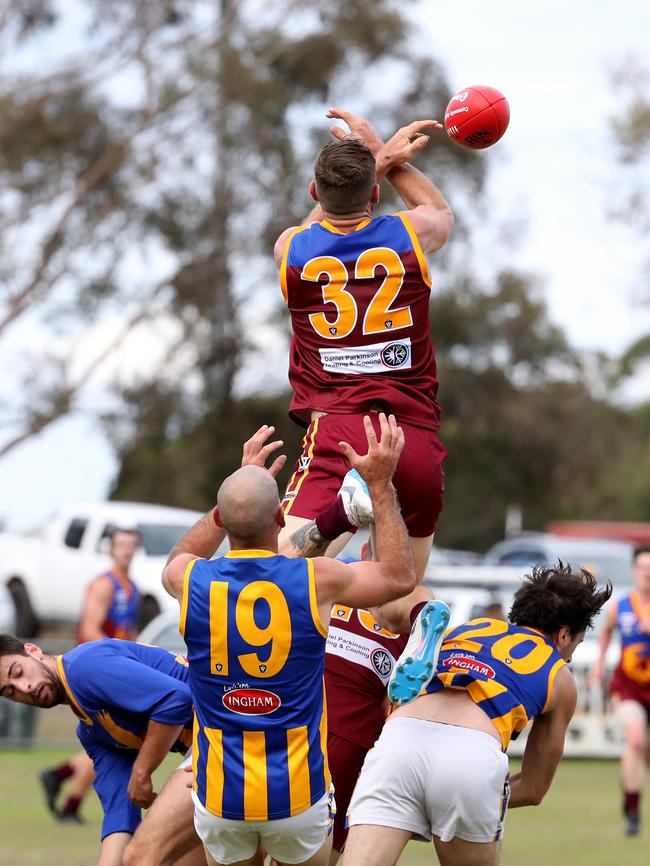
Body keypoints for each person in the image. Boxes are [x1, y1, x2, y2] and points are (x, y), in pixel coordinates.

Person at [162, 414, 448, 866]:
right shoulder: (313, 580)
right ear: (281, 515)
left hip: (220, 795)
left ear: (226, 522)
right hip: (296, 796)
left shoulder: (192, 580)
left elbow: (179, 556)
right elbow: (399, 576)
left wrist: (232, 499)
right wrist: (380, 485)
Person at [274, 108, 454, 580]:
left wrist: (378, 158)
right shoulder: (409, 235)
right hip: (410, 436)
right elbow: (441, 213)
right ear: (375, 193)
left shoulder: (291, 250)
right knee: (398, 592)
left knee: (273, 574)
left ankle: (343, 514)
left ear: (315, 192)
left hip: (340, 432)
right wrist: (389, 160)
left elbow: (311, 228)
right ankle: (412, 631)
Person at [342, 563, 612, 866]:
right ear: (564, 635)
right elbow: (534, 789)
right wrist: (458, 799)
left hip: (398, 741)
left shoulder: (467, 628)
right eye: (576, 643)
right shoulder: (559, 675)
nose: (572, 655)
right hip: (471, 756)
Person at [0, 634, 205, 866]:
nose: (23, 687)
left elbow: (176, 699)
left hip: (230, 734)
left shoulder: (81, 667)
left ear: (33, 650)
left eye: (17, 672)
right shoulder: (91, 732)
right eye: (10, 692)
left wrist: (142, 771)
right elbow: (120, 814)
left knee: (142, 857)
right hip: (219, 746)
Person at [40, 526, 143, 823]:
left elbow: (127, 632)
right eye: (121, 544)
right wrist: (115, 663)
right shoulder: (103, 584)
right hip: (94, 677)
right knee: (112, 739)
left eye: (131, 545)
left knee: (113, 739)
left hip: (114, 673)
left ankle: (61, 780)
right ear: (110, 549)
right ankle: (69, 797)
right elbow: (89, 629)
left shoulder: (132, 587)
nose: (126, 550)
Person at [589, 544, 650, 835]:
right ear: (634, 570)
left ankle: (631, 788)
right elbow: (605, 633)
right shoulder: (620, 606)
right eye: (643, 568)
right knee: (636, 741)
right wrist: (599, 665)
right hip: (628, 687)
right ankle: (633, 812)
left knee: (643, 753)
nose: (647, 574)